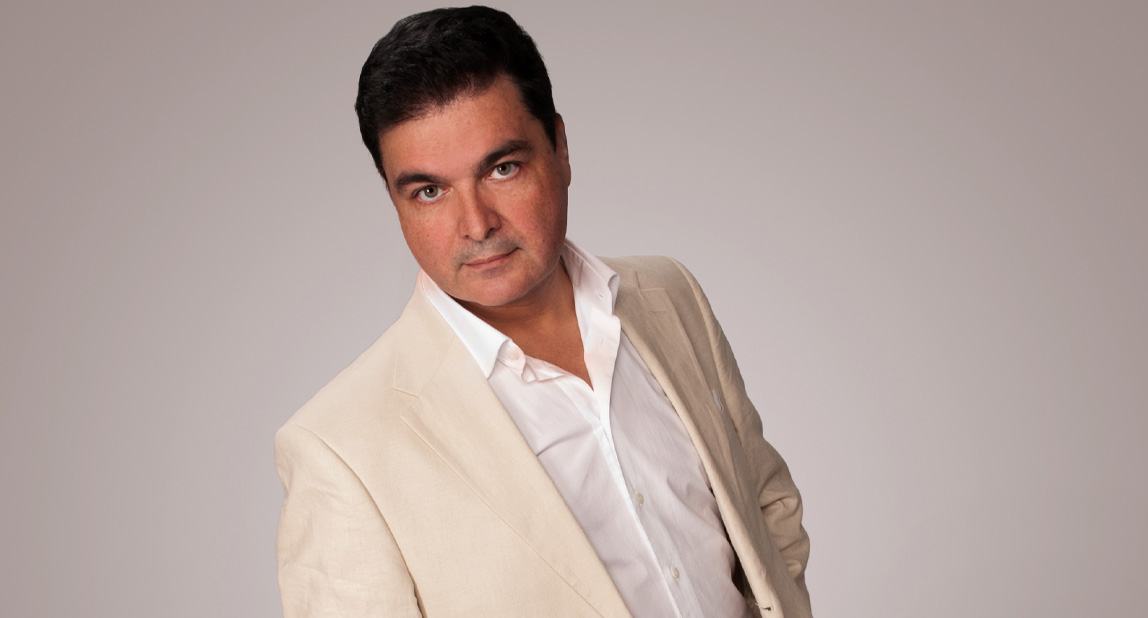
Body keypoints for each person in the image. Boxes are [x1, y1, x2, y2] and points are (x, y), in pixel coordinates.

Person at [274, 6, 812, 618]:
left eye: (502, 168)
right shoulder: (341, 447)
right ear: (395, 199)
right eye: (429, 191)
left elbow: (766, 509)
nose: (476, 224)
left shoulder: (670, 295)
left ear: (560, 148)